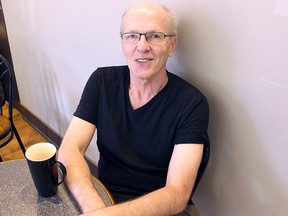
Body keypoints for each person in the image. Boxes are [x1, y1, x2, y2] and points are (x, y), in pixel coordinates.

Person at [58, 2, 209, 216]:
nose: (142, 45)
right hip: (102, 198)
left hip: (159, 209)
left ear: (172, 45)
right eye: (131, 36)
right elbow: (69, 150)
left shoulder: (192, 104)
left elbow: (177, 194)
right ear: (122, 44)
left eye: (155, 36)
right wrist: (96, 210)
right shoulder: (101, 81)